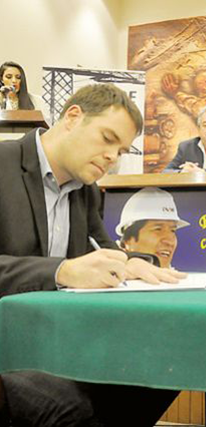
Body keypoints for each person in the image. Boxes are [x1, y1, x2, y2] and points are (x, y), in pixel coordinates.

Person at [0, 83, 185, 426]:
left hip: (60, 342)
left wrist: (132, 263)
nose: (113, 157)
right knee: (69, 405)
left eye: (122, 150)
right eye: (107, 139)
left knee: (167, 366)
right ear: (73, 117)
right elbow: (71, 268)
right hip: (10, 348)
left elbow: (106, 250)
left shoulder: (86, 191)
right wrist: (62, 271)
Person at [116, 187, 190, 268]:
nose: (170, 242)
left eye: (173, 230)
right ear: (128, 241)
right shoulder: (111, 273)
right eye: (158, 229)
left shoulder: (181, 275)